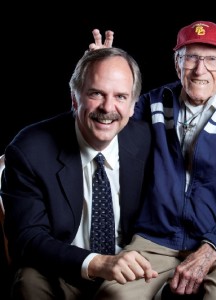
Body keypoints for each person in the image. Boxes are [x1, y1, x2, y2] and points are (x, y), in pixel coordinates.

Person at [90, 21, 216, 300]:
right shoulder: (154, 103)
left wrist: (214, 246)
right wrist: (100, 72)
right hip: (154, 239)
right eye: (190, 57)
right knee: (114, 296)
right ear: (176, 63)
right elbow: (102, 120)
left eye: (212, 60)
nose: (199, 69)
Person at [1, 46, 158, 300]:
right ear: (75, 98)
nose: (108, 108)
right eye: (96, 93)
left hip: (129, 271)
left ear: (132, 106)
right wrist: (97, 263)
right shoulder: (30, 149)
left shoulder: (148, 141)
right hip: (61, 267)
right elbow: (27, 238)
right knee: (29, 282)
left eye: (120, 96)